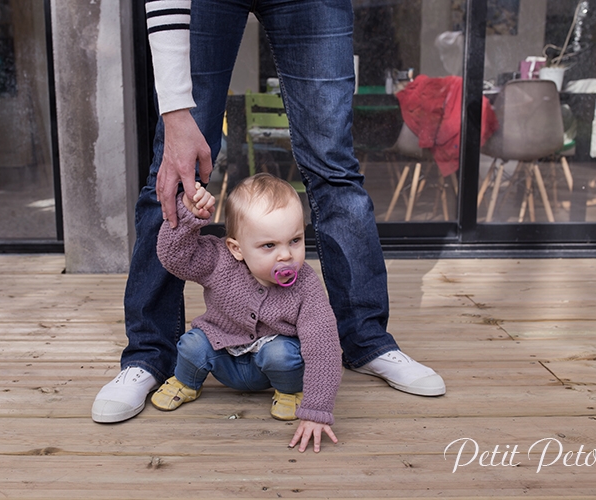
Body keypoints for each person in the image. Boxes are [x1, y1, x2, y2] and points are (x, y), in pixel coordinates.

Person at [92, 0, 445, 428]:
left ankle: (367, 341)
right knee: (172, 173)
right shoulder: (220, 259)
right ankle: (149, 355)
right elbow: (178, 253)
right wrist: (175, 114)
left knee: (335, 169)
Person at [151, 174, 342, 452]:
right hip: (223, 357)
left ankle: (290, 391)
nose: (286, 255)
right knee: (192, 344)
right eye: (269, 245)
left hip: (272, 366)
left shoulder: (306, 285)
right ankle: (187, 382)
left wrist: (317, 409)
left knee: (283, 354)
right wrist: (187, 216)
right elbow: (173, 257)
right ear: (236, 248)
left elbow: (322, 346)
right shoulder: (219, 261)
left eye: (295, 240)